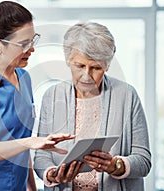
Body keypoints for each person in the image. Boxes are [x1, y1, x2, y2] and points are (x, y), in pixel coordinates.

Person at [0, 1, 74, 191]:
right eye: (24, 43)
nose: (31, 49)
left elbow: (22, 145)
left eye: (33, 40)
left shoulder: (24, 78)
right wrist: (29, 143)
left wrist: (32, 188)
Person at [33, 22, 151, 191]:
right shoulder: (51, 96)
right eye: (80, 66)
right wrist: (52, 173)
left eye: (96, 67)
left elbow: (143, 161)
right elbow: (42, 155)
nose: (86, 75)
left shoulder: (127, 95)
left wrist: (114, 165)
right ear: (68, 60)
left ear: (107, 65)